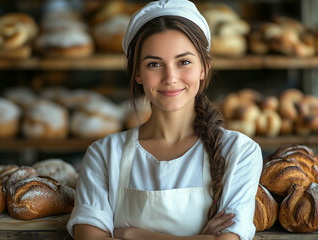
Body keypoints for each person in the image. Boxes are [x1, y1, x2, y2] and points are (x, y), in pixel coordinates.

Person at [67, 0, 263, 239]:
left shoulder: (239, 152)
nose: (170, 77)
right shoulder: (105, 154)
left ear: (204, 68)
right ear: (137, 73)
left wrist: (131, 234)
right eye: (154, 64)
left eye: (184, 62)